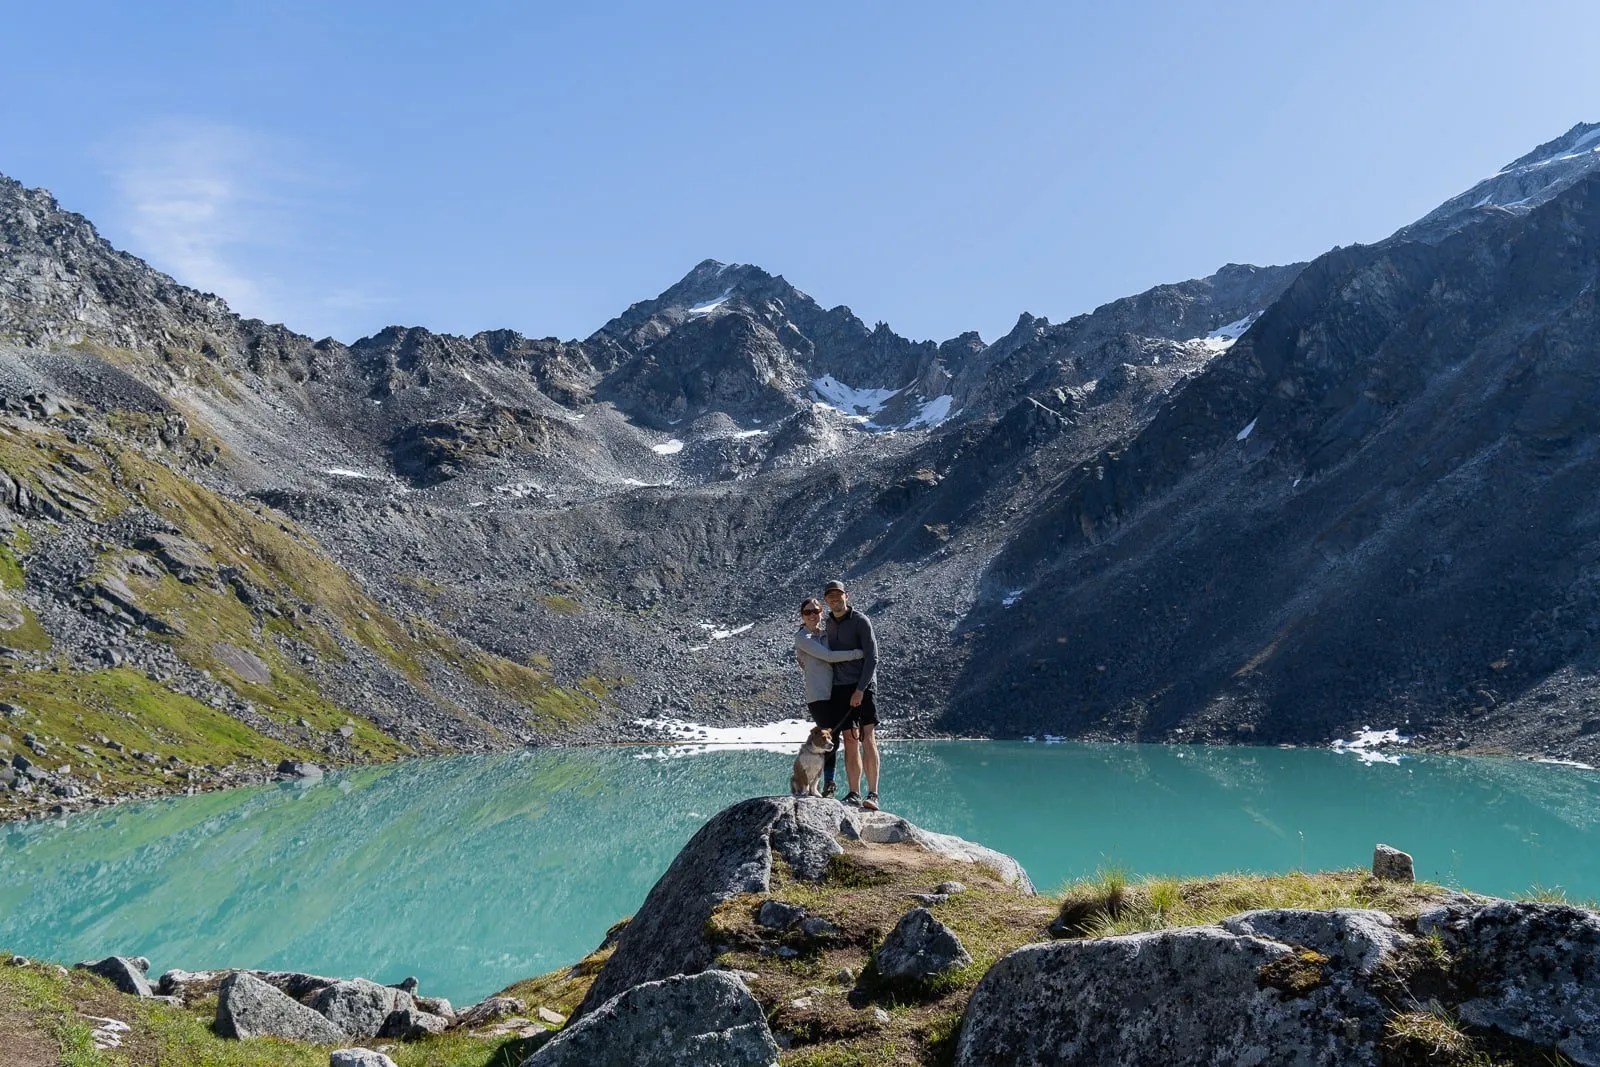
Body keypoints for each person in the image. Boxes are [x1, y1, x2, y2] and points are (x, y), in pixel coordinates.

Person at [794, 597, 863, 798]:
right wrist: (859, 653)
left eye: (816, 611)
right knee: (828, 740)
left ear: (821, 613)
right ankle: (825, 784)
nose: (813, 615)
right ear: (802, 616)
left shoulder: (825, 635)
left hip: (836, 693)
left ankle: (830, 784)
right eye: (808, 612)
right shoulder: (802, 638)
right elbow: (829, 657)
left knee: (838, 740)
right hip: (818, 696)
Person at [822, 579, 881, 811]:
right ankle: (854, 793)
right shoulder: (827, 624)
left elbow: (872, 658)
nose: (834, 599)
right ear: (827, 600)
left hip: (863, 686)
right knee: (849, 740)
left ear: (847, 596)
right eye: (830, 596)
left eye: (838, 595)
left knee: (868, 736)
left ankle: (873, 794)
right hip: (840, 687)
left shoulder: (860, 621)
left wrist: (860, 689)